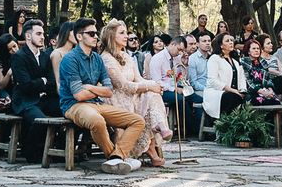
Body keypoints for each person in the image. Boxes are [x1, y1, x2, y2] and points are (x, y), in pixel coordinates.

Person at [59, 18, 146, 174]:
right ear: (79, 36)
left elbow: (108, 91)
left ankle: (117, 156)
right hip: (74, 106)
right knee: (97, 121)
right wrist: (98, 89)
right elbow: (78, 95)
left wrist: (91, 87)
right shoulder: (69, 60)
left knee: (137, 121)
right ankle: (115, 158)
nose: (96, 37)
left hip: (97, 104)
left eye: (96, 33)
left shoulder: (98, 59)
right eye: (91, 33)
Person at [98, 19, 168, 165]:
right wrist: (150, 87)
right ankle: (152, 145)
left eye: (126, 33)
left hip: (130, 94)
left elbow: (138, 79)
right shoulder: (107, 58)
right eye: (122, 33)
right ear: (111, 36)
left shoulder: (126, 57)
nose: (127, 37)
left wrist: (155, 85)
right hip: (115, 96)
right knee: (149, 93)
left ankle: (158, 128)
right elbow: (122, 85)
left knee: (152, 93)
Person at [11, 18, 61, 161]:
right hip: (25, 100)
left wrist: (41, 83)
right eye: (38, 34)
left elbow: (52, 82)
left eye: (43, 34)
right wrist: (42, 81)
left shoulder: (46, 56)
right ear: (28, 36)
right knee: (40, 121)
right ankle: (30, 153)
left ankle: (61, 151)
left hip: (45, 98)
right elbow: (25, 85)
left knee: (69, 111)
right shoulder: (18, 57)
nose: (42, 37)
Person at [150, 36, 198, 134]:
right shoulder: (157, 59)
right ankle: (194, 129)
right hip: (162, 90)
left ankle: (202, 127)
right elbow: (157, 81)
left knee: (196, 98)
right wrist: (174, 89)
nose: (179, 53)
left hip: (176, 87)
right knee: (180, 100)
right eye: (179, 49)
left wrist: (185, 64)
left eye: (181, 51)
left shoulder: (177, 58)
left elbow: (182, 77)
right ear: (172, 44)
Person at [203, 33, 247, 124]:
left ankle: (242, 129)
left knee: (247, 99)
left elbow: (242, 78)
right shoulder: (214, 58)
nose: (231, 43)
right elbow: (213, 81)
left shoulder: (235, 60)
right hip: (216, 93)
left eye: (231, 40)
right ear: (221, 45)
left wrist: (242, 90)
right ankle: (225, 126)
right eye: (227, 41)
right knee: (234, 98)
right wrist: (232, 90)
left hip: (235, 93)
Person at [241, 39, 279, 104]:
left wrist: (270, 90)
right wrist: (262, 92)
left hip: (265, 91)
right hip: (251, 92)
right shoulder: (243, 63)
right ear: (248, 51)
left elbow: (268, 79)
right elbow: (248, 82)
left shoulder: (263, 62)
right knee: (266, 102)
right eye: (253, 48)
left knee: (276, 101)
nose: (256, 50)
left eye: (258, 49)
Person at [50, 21, 78, 86]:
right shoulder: (57, 54)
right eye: (74, 31)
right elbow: (58, 81)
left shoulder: (76, 52)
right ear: (66, 32)